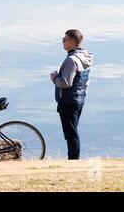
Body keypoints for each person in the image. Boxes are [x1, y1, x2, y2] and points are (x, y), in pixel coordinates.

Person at [50, 29, 93, 160]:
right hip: (79, 99)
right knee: (72, 132)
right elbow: (83, 81)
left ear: (72, 42)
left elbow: (66, 82)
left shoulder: (71, 60)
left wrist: (54, 77)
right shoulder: (84, 57)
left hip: (68, 101)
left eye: (65, 39)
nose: (62, 41)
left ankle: (73, 160)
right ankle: (73, 158)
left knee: (71, 134)